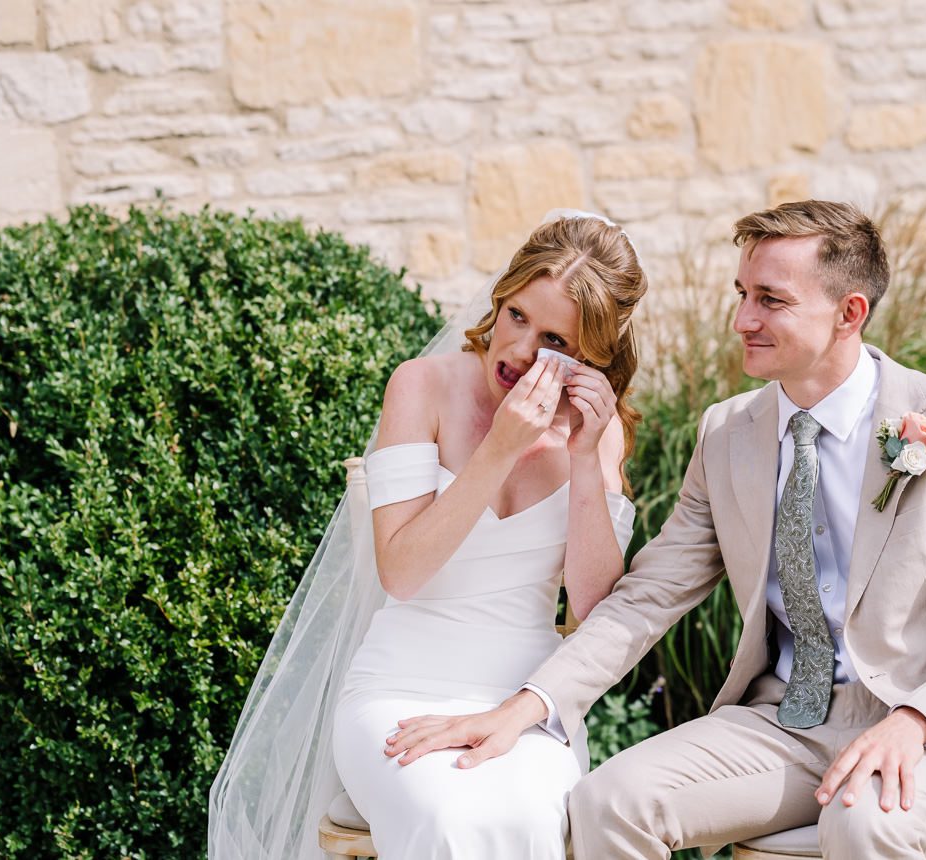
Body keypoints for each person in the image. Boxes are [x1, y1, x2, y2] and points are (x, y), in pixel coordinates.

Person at [385, 200, 926, 860]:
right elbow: (644, 597)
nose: (743, 318)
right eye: (740, 293)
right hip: (785, 725)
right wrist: (529, 707)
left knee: (862, 821)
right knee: (607, 802)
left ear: (849, 313)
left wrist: (917, 722)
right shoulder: (727, 435)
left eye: (770, 299)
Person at [208, 211, 648, 860]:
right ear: (500, 299)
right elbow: (402, 573)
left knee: (533, 818)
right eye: (517, 315)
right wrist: (498, 450)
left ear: (589, 354)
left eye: (555, 338)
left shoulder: (597, 428)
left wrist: (586, 460)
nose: (521, 349)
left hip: (523, 706)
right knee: (448, 818)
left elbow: (590, 609)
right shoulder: (423, 387)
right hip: (398, 689)